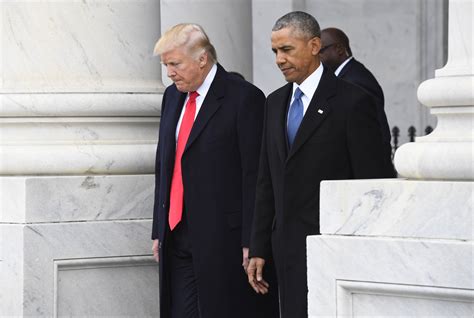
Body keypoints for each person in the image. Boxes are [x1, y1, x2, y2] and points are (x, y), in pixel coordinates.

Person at [247, 12, 395, 318]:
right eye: (275, 51)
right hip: (284, 250)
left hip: (334, 249)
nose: (279, 59)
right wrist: (258, 246)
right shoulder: (274, 103)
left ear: (315, 45)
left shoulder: (353, 101)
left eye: (287, 49)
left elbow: (373, 182)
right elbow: (266, 180)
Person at [151, 23, 279, 318]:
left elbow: (255, 175)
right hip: (177, 234)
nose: (169, 72)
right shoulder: (172, 97)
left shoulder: (243, 98)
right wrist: (160, 228)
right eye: (165, 65)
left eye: (175, 64)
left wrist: (253, 239)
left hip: (226, 239)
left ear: (202, 59)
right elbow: (165, 165)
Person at [319, 27, 391, 146]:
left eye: (320, 51)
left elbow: (369, 133)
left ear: (339, 49)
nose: (316, 57)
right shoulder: (345, 76)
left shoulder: (356, 81)